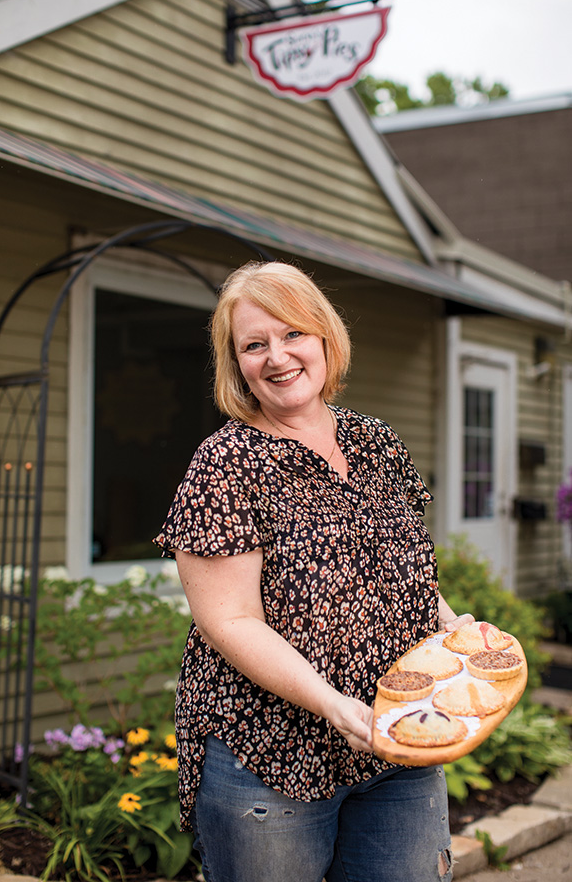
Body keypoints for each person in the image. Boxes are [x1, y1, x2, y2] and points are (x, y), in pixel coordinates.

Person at [155, 261, 473, 882]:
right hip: (269, 756)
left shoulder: (376, 442)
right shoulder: (223, 464)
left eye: (292, 333)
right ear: (237, 364)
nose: (277, 356)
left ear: (325, 337)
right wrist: (331, 704)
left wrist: (453, 631)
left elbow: (407, 570)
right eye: (254, 344)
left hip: (398, 737)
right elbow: (230, 620)